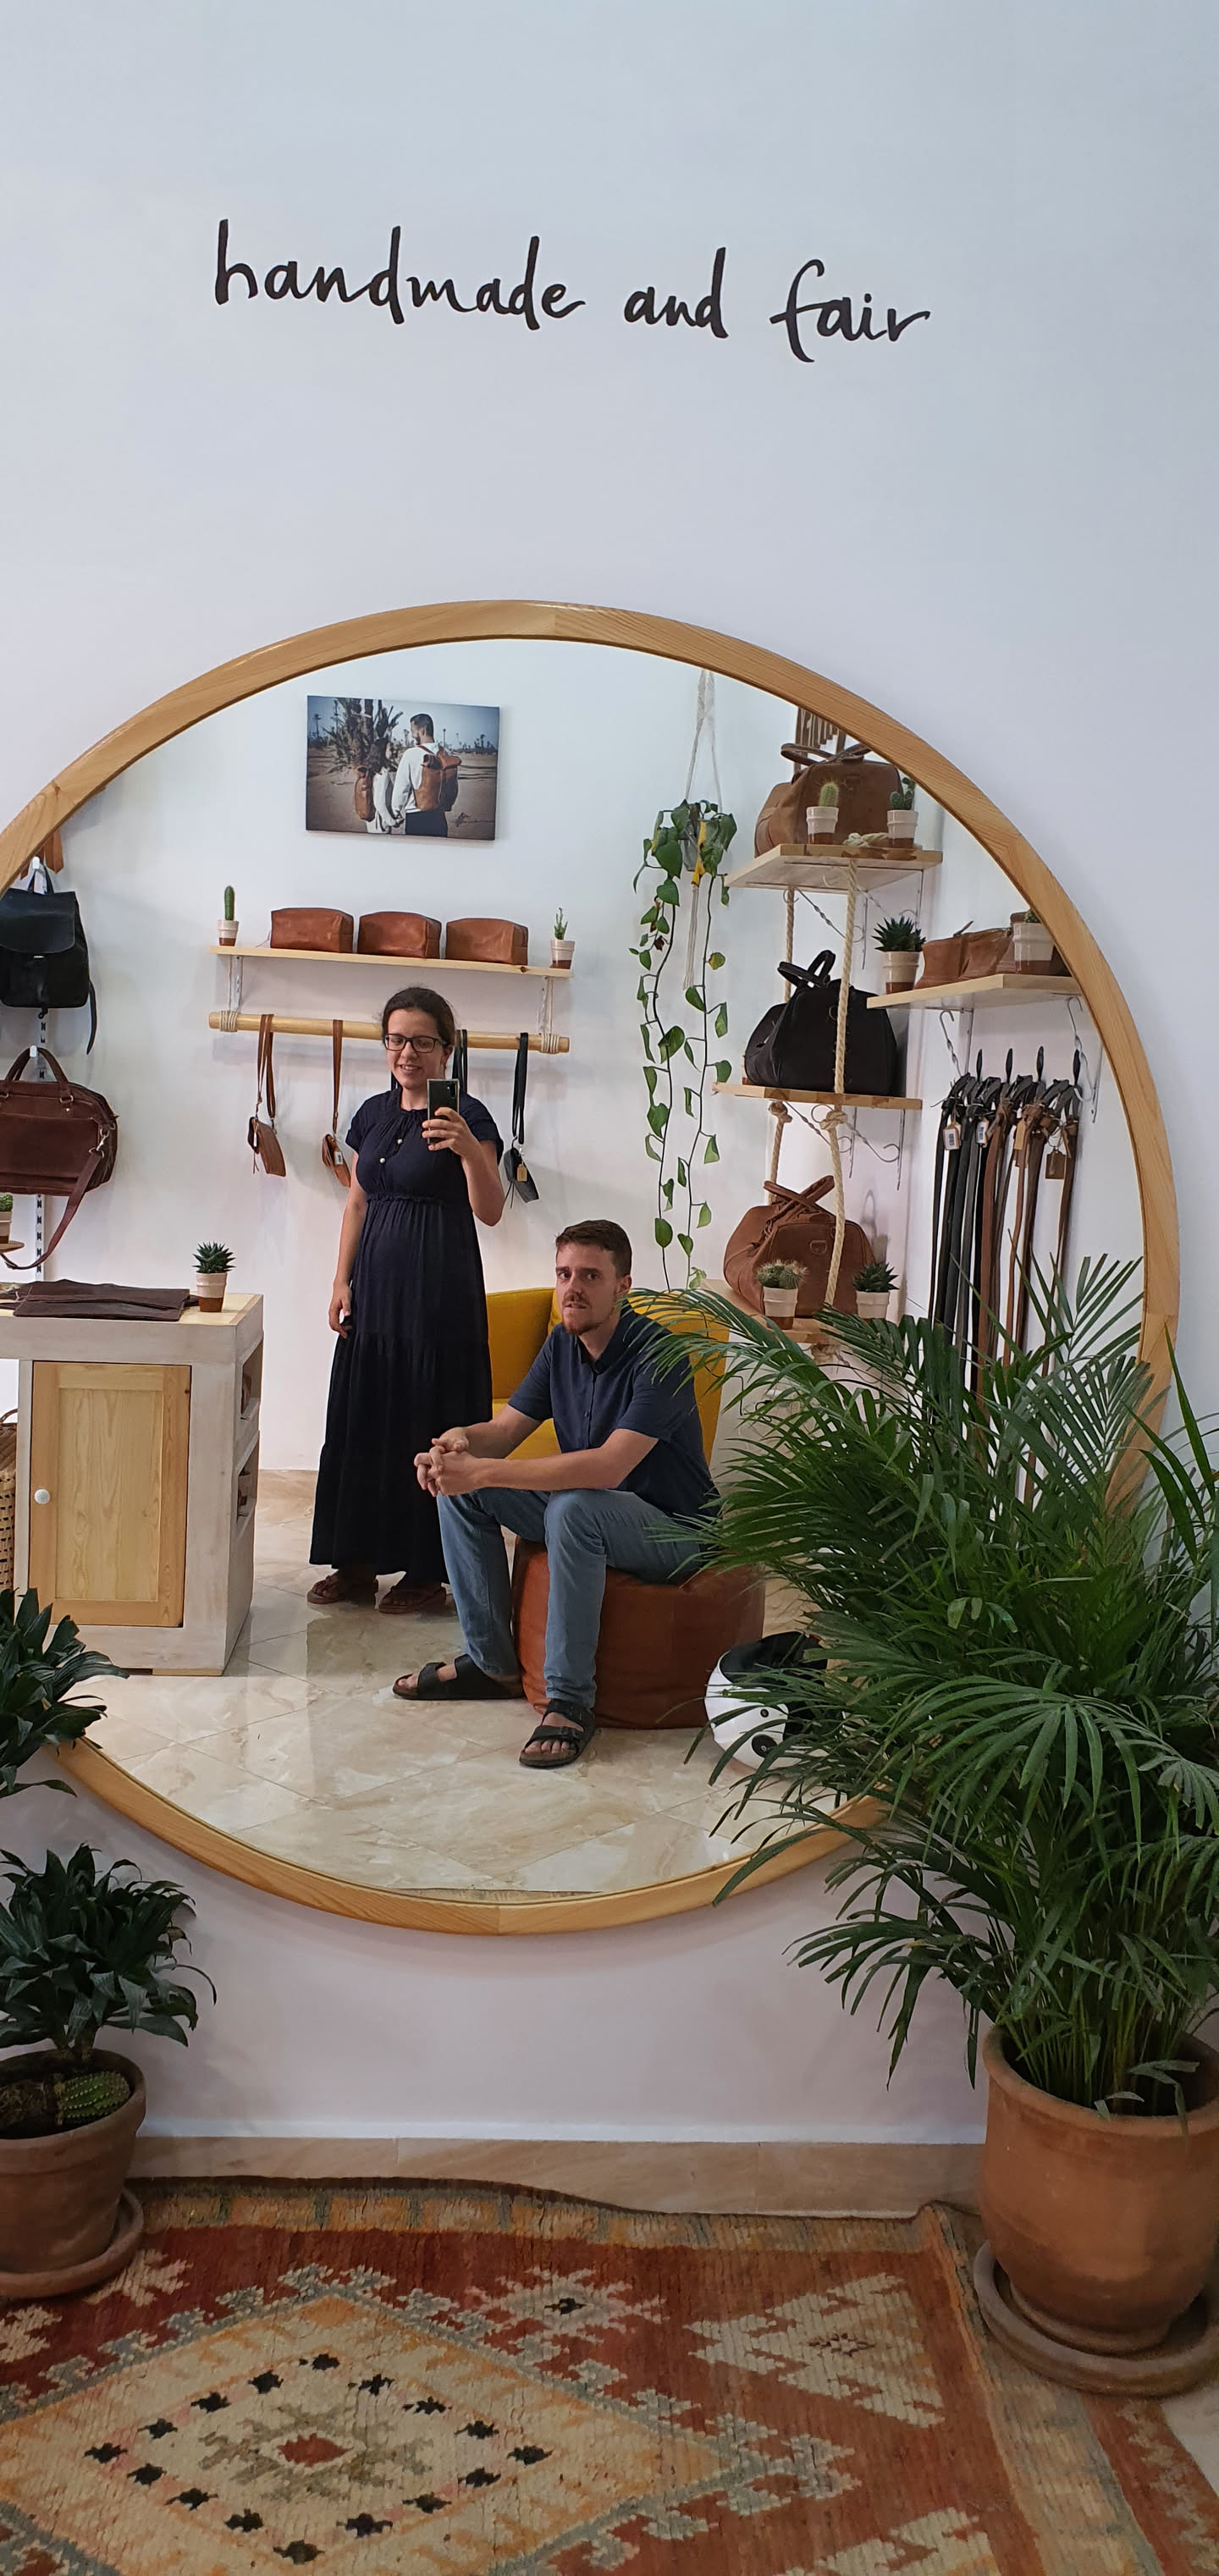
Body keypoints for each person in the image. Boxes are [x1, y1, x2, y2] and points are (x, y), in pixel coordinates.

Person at [394, 1220, 718, 1767]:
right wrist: (458, 1444)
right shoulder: (562, 1345)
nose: (573, 1288)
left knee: (572, 1506)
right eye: (564, 1274)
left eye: (590, 1276)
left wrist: (484, 1471)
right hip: (596, 1511)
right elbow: (504, 1431)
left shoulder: (658, 1354)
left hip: (674, 1528)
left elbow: (608, 1467)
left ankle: (569, 1701)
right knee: (461, 1491)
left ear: (623, 1286)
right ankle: (492, 1665)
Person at [308, 987, 505, 1613]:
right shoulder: (372, 1113)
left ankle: (425, 1575)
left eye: (422, 1041)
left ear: (447, 1050)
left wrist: (468, 1148)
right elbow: (357, 1201)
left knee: (426, 1413)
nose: (407, 1053)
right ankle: (355, 1562)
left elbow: (491, 1210)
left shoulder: (470, 1115)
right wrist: (341, 1279)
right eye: (396, 1039)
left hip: (438, 1295)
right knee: (365, 1418)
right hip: (374, 1295)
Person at [389, 714, 454, 837]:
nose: (412, 735)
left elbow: (401, 788)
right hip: (439, 816)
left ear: (422, 731)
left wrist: (396, 810)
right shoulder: (445, 754)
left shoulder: (411, 754)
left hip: (416, 817)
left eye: (413, 731)